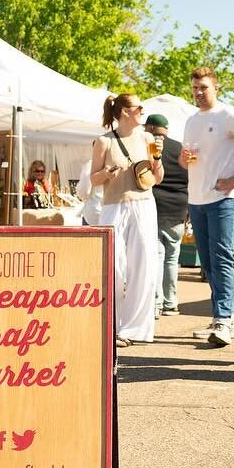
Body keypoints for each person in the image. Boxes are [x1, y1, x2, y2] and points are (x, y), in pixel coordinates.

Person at [181, 66, 234, 347]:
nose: (198, 92)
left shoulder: (228, 114)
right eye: (195, 88)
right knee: (207, 264)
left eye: (204, 87)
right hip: (197, 198)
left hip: (224, 199)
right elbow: (186, 162)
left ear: (216, 88)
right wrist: (184, 158)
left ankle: (223, 318)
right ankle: (226, 317)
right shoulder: (191, 120)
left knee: (221, 258)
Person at [91, 93, 164, 346]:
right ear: (124, 111)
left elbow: (158, 177)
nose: (142, 112)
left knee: (143, 265)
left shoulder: (146, 138)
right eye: (138, 107)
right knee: (116, 267)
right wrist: (106, 173)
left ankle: (133, 329)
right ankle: (113, 323)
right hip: (114, 207)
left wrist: (157, 160)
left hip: (143, 204)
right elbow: (92, 179)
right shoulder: (104, 141)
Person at [144, 113, 187, 316]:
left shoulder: (148, 146)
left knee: (157, 256)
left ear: (150, 128)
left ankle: (157, 302)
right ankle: (171, 301)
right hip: (179, 207)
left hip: (155, 206)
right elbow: (191, 175)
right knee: (172, 257)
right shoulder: (181, 148)